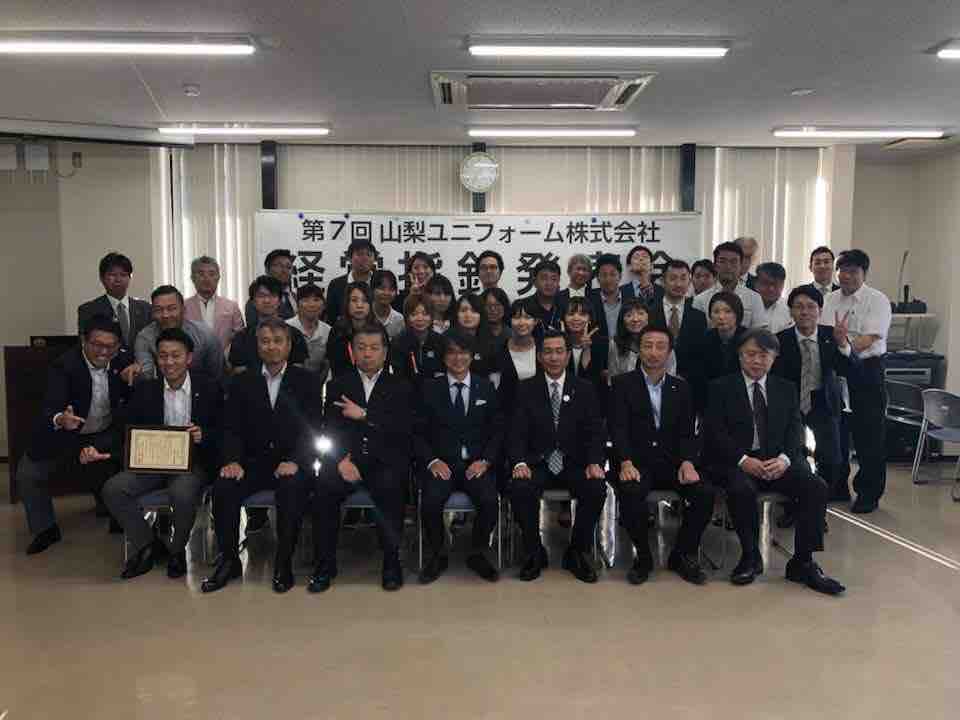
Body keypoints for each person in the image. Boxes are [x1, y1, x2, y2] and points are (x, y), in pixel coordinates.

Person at [703, 329, 845, 595]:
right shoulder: (721, 387)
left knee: (816, 487)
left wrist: (785, 459)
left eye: (763, 355)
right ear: (740, 355)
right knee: (741, 489)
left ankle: (803, 562)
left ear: (774, 358)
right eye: (750, 354)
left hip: (778, 462)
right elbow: (714, 432)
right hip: (739, 462)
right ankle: (750, 556)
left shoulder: (785, 388)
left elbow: (795, 430)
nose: (756, 361)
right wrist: (743, 460)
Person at [201, 318, 323, 594]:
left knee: (292, 489)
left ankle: (283, 563)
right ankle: (229, 560)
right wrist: (232, 461)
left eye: (278, 341)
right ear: (257, 346)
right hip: (251, 464)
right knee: (224, 486)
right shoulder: (241, 381)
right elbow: (231, 428)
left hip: (291, 463)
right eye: (265, 341)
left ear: (289, 346)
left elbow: (313, 428)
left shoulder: (307, 381)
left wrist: (296, 461)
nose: (271, 347)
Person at [102, 328, 223, 580]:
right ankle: (148, 545)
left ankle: (177, 551)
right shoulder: (146, 389)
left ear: (189, 358)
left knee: (182, 493)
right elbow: (126, 429)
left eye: (175, 356)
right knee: (113, 489)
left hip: (192, 463)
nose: (169, 362)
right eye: (163, 356)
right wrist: (103, 451)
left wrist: (205, 435)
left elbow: (227, 430)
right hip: (152, 462)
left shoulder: (210, 388)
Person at [310, 323, 415, 593]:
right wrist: (341, 461)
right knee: (323, 489)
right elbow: (331, 430)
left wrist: (366, 416)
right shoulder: (337, 385)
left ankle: (391, 563)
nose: (367, 354)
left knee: (392, 488)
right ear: (351, 351)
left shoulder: (401, 386)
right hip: (345, 461)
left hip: (384, 461)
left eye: (374, 348)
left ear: (385, 352)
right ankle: (324, 565)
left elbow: (402, 431)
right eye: (361, 348)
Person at [18, 315, 135, 554]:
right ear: (83, 341)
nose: (104, 352)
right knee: (28, 473)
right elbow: (50, 407)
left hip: (106, 433)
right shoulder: (64, 366)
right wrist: (61, 419)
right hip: (66, 434)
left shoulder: (123, 359)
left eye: (110, 346)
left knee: (132, 454)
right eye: (97, 345)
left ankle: (117, 514)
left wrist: (137, 369)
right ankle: (45, 529)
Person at [610, 325, 715, 585]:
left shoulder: (681, 387)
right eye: (647, 346)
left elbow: (688, 432)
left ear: (669, 353)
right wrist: (625, 462)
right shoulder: (622, 384)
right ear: (639, 349)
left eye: (660, 347)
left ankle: (681, 554)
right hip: (637, 462)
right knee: (630, 492)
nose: (653, 352)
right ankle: (643, 557)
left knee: (704, 493)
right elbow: (617, 429)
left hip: (673, 463)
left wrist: (688, 462)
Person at [509, 329, 607, 583]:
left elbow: (595, 431)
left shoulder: (584, 388)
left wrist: (594, 462)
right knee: (520, 487)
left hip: (574, 463)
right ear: (539, 356)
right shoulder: (525, 389)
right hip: (538, 463)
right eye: (548, 352)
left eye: (559, 351)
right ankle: (534, 551)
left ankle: (578, 551)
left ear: (567, 355)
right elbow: (516, 432)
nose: (554, 357)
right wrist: (519, 462)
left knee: (596, 488)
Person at [415, 332, 504, 584]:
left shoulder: (485, 387)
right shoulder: (429, 388)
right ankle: (438, 553)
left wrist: (485, 460)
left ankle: (477, 552)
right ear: (444, 357)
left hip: (476, 464)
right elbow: (417, 433)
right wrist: (432, 460)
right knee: (430, 502)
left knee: (489, 500)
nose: (458, 358)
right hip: (441, 463)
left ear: (472, 356)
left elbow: (498, 431)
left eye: (463, 352)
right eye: (452, 352)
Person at [772, 286, 856, 515]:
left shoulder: (832, 335)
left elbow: (849, 369)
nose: (805, 312)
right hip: (791, 404)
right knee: (792, 456)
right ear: (791, 311)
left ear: (819, 310)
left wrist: (843, 344)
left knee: (831, 458)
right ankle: (792, 507)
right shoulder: (780, 339)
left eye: (811, 307)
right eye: (798, 307)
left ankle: (818, 509)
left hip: (823, 402)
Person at [822, 249, 892, 514]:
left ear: (864, 273)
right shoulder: (830, 299)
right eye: (843, 271)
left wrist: (844, 346)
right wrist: (838, 349)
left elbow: (869, 338)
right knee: (836, 432)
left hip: (866, 369)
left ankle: (868, 493)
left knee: (868, 434)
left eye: (853, 271)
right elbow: (826, 333)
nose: (846, 276)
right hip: (836, 368)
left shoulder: (877, 300)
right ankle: (837, 485)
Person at [132, 285, 224, 381]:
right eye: (158, 310)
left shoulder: (204, 334)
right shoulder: (145, 338)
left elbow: (217, 374)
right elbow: (147, 373)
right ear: (152, 313)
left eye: (171, 308)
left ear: (183, 310)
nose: (165, 315)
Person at [228, 276, 309, 374]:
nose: (267, 300)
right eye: (261, 296)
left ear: (280, 301)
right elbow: (239, 373)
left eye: (272, 295)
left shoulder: (294, 334)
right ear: (253, 302)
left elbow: (298, 373)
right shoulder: (241, 337)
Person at [690, 291, 748, 415]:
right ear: (710, 315)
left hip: (742, 401)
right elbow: (698, 379)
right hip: (711, 402)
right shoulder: (703, 340)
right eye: (716, 312)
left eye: (728, 311)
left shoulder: (748, 339)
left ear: (737, 314)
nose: (721, 317)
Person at [78, 252, 151, 349]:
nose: (118, 279)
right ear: (102, 278)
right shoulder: (88, 310)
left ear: (130, 277)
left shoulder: (145, 308)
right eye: (112, 275)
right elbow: (85, 346)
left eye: (123, 275)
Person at [648, 259, 707, 380]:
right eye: (673, 278)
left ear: (689, 282)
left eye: (683, 278)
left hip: (689, 382)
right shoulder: (649, 313)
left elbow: (701, 355)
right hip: (654, 379)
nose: (678, 284)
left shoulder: (699, 316)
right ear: (663, 281)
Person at [692, 242, 767, 329]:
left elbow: (759, 333)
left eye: (733, 262)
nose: (728, 266)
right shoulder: (700, 300)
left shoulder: (754, 299)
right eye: (722, 261)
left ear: (741, 265)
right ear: (715, 266)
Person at [183, 255, 245, 352]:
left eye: (211, 274)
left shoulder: (232, 307)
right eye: (201, 274)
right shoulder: (183, 307)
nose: (206, 278)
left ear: (218, 278)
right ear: (192, 278)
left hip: (225, 359)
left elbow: (239, 337)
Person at [390, 294, 445, 390]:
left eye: (425, 314)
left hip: (435, 392)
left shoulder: (439, 341)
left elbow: (442, 372)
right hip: (406, 393)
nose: (420, 318)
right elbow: (398, 375)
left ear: (431, 316)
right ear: (407, 317)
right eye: (414, 314)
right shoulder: (398, 342)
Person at [326, 282, 380, 378]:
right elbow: (335, 367)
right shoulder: (338, 331)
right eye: (354, 300)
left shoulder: (379, 330)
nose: (359, 305)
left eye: (364, 300)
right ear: (347, 303)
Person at [495, 300, 539, 411]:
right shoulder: (499, 350)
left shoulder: (543, 347)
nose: (522, 322)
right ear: (510, 320)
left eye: (527, 317)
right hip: (509, 412)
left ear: (535, 321)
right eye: (516, 317)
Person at [325, 240, 377, 324]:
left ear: (374, 259)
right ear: (349, 258)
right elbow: (331, 317)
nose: (365, 258)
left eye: (369, 255)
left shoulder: (379, 282)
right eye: (360, 254)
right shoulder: (336, 284)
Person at [286, 284, 331, 378]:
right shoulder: (286, 327)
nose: (311, 304)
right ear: (297, 304)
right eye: (305, 300)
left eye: (316, 300)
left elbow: (327, 364)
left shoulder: (328, 331)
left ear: (323, 305)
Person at [607, 299, 658, 380]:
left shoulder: (662, 342)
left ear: (649, 317)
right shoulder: (615, 344)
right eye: (629, 315)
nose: (635, 319)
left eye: (640, 314)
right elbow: (613, 378)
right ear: (622, 320)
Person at [563, 297, 606, 391]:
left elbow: (592, 380)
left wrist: (586, 349)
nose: (576, 318)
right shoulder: (557, 342)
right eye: (571, 314)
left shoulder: (601, 344)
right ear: (564, 318)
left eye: (582, 314)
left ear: (589, 318)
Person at [245, 249, 297, 327]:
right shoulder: (258, 300)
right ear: (267, 270)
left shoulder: (295, 297)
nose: (284, 270)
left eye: (289, 267)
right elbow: (254, 329)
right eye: (279, 266)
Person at [450, 294, 496, 377]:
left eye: (474, 311)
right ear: (456, 314)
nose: (468, 315)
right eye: (463, 310)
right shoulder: (446, 339)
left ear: (481, 315)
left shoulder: (490, 341)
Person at [523, 260, 565, 335]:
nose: (549, 283)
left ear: (558, 282)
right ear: (534, 282)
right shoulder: (522, 306)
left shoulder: (565, 306)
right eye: (544, 278)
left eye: (554, 279)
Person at [754, 262, 794, 334]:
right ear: (756, 283)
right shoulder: (746, 304)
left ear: (783, 285)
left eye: (776, 284)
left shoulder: (790, 309)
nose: (771, 289)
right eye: (766, 283)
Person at [590, 253, 624, 339]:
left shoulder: (630, 297)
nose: (608, 279)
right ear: (598, 278)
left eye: (612, 274)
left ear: (620, 276)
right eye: (603, 275)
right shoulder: (589, 300)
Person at [370, 270, 406, 340]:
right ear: (372, 289)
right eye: (382, 288)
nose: (386, 293)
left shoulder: (399, 319)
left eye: (391, 289)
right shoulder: (365, 315)